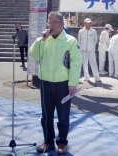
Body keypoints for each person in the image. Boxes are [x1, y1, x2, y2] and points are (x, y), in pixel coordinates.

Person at [28, 11, 82, 155]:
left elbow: (76, 63)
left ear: (62, 24)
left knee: (63, 115)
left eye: (54, 22)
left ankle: (62, 143)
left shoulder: (70, 41)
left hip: (63, 84)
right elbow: (33, 54)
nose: (50, 25)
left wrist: (72, 83)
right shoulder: (45, 40)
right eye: (49, 22)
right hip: (45, 83)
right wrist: (41, 39)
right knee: (46, 115)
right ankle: (48, 141)